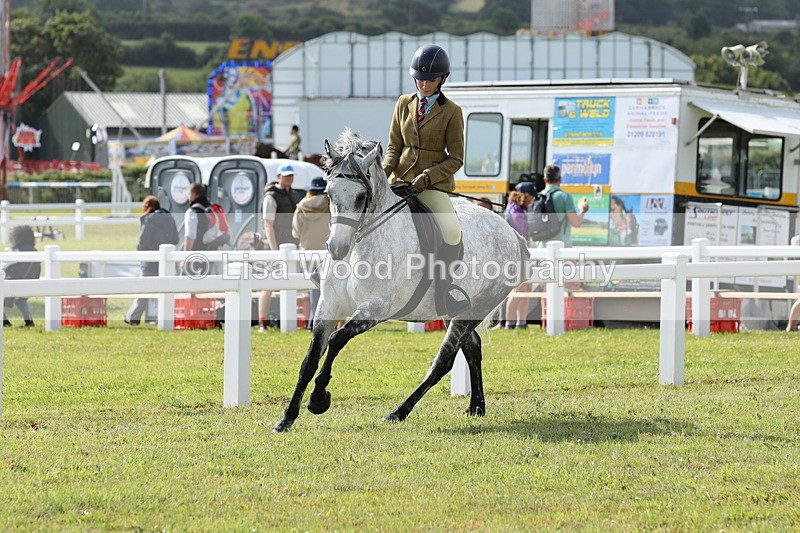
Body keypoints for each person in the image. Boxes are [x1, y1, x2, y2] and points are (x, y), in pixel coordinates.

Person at [381, 43, 470, 316]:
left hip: (430, 185)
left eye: (431, 80)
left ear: (442, 79)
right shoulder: (403, 103)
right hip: (399, 180)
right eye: (420, 79)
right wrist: (382, 176)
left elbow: (456, 158)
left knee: (452, 232)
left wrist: (428, 176)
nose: (425, 84)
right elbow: (394, 146)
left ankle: (444, 290)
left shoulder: (452, 111)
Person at [259, 164, 301, 331]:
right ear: (278, 176)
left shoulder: (295, 195)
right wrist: (274, 250)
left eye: (291, 175)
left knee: (292, 282)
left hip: (291, 245)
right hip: (276, 246)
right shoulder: (271, 197)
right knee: (269, 284)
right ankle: (263, 322)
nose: (289, 178)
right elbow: (268, 224)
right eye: (286, 175)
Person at [124, 196, 179, 325]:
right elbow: (175, 239)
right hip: (168, 262)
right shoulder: (169, 218)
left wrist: (140, 252)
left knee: (144, 291)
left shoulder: (149, 220)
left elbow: (143, 242)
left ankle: (133, 317)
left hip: (150, 262)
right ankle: (164, 318)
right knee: (165, 291)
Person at [292, 176, 330, 330]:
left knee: (312, 288)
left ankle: (312, 321)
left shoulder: (301, 206)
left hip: (307, 250)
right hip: (325, 250)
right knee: (327, 287)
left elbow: (296, 232)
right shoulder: (329, 204)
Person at [503, 182, 536, 329]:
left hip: (520, 254)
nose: (532, 200)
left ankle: (521, 322)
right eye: (531, 197)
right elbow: (523, 230)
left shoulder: (515, 208)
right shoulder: (515, 210)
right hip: (518, 255)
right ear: (525, 195)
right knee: (519, 289)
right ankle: (510, 323)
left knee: (526, 288)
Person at [538, 164, 589, 248]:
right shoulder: (565, 197)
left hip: (542, 249)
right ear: (560, 179)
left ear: (545, 179)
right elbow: (576, 223)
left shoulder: (538, 197)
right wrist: (583, 211)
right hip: (562, 249)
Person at [1, 225, 41, 327]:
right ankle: (29, 321)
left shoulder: (16, 250)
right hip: (31, 285)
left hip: (12, 284)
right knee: (21, 300)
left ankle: (5, 322)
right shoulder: (34, 251)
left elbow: (4, 265)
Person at [183, 183, 218, 277]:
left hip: (196, 255)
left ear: (194, 195)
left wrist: (185, 258)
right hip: (212, 253)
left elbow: (190, 236)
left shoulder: (192, 212)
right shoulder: (212, 208)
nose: (188, 197)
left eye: (189, 194)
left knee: (187, 285)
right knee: (206, 286)